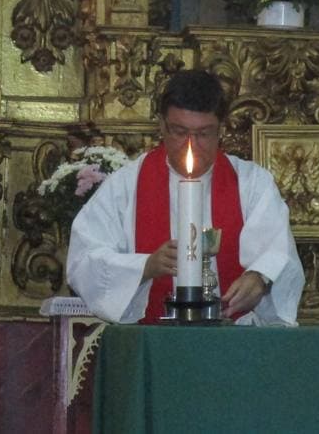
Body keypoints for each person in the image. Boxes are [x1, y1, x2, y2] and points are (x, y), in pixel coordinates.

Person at [66, 69, 305, 324]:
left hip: (233, 342)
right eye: (179, 132)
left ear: (221, 129)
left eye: (203, 134)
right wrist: (145, 266)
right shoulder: (126, 185)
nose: (191, 146)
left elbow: (279, 253)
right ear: (161, 126)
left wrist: (259, 278)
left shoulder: (252, 183)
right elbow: (84, 260)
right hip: (156, 341)